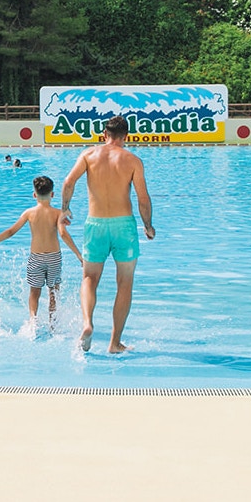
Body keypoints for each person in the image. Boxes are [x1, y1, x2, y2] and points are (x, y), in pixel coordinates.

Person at [61, 115, 154, 353]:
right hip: (124, 226)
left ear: (104, 135)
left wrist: (65, 209)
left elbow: (68, 182)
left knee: (89, 278)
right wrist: (148, 225)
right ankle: (114, 343)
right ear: (126, 137)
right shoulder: (133, 160)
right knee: (125, 283)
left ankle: (87, 323)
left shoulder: (88, 155)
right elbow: (143, 199)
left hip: (96, 224)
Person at [0, 175, 82, 328]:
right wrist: (79, 255)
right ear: (52, 194)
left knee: (34, 292)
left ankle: (33, 322)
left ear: (34, 195)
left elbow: (10, 232)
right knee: (54, 292)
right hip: (54, 258)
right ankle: (53, 325)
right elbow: (63, 234)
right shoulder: (58, 213)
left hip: (36, 258)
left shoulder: (29, 213)